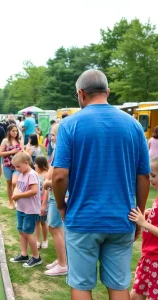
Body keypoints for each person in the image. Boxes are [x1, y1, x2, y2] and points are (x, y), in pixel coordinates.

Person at [52, 69, 150, 299]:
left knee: (81, 285)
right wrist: (140, 214)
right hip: (122, 217)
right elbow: (143, 176)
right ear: (107, 92)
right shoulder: (134, 125)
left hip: (82, 217)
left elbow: (58, 176)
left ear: (80, 94)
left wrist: (60, 206)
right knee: (118, 285)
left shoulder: (70, 125)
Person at [129, 157, 158, 300]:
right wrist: (149, 213)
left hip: (156, 261)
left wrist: (143, 223)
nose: (150, 180)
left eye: (153, 176)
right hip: (148, 257)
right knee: (135, 296)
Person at [43, 123, 68, 276]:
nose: (52, 137)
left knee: (55, 228)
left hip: (58, 193)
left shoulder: (63, 149)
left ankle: (63, 264)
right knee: (56, 228)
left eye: (53, 134)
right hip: (53, 192)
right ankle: (61, 260)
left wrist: (48, 182)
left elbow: (61, 175)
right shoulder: (58, 149)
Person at [10, 151, 42, 268]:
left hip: (30, 210)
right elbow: (17, 186)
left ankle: (36, 257)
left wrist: (19, 196)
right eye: (15, 167)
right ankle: (24, 254)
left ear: (26, 163)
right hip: (21, 208)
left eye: (18, 166)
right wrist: (15, 194)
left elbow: (34, 191)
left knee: (28, 233)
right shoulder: (22, 174)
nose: (17, 169)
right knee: (21, 231)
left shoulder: (32, 174)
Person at [0, 124, 23, 209]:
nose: (15, 133)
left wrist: (20, 153)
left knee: (15, 182)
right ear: (9, 132)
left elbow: (23, 152)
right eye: (13, 131)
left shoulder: (20, 141)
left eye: (16, 131)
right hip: (7, 164)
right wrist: (11, 152)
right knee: (9, 183)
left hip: (18, 166)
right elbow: (0, 153)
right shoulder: (5, 141)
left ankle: (16, 199)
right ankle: (10, 201)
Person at [34, 155, 49, 249]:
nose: (34, 165)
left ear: (40, 164)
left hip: (43, 202)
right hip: (35, 202)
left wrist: (44, 204)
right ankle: (37, 240)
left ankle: (45, 240)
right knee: (36, 222)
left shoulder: (46, 174)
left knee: (43, 222)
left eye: (35, 163)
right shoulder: (35, 173)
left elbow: (47, 190)